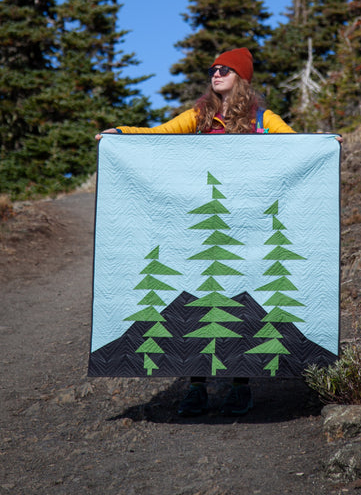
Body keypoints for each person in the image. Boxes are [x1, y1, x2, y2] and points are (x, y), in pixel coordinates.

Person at [96, 47, 336, 417]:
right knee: (194, 301)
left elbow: (294, 145)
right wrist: (121, 135)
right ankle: (196, 386)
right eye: (212, 69)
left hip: (245, 224)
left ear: (241, 76)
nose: (216, 73)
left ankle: (241, 386)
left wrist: (323, 145)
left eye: (224, 69)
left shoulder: (262, 118)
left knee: (242, 298)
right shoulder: (199, 116)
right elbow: (158, 135)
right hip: (199, 226)